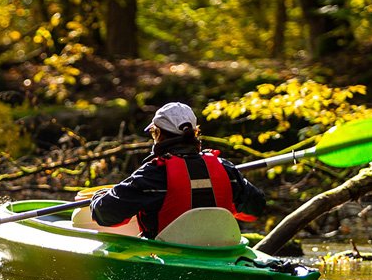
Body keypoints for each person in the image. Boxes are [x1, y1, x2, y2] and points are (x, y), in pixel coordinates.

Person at [90, 101, 266, 239]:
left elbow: (104, 214)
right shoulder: (225, 168)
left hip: (166, 256)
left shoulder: (153, 175)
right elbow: (255, 208)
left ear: (158, 134)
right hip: (219, 253)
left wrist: (98, 197)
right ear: (195, 133)